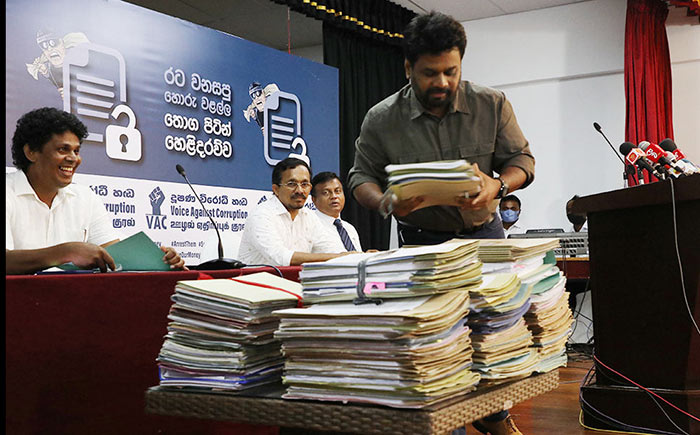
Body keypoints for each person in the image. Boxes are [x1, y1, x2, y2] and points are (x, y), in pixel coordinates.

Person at [347, 11, 534, 435]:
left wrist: (498, 185)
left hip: (484, 237)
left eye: (451, 71)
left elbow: (522, 160)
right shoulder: (382, 118)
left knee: (492, 332)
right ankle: (446, 426)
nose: (443, 82)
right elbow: (360, 178)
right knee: (435, 340)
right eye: (430, 73)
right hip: (422, 243)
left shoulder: (491, 103)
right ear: (408, 68)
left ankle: (493, 416)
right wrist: (386, 203)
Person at [6, 107, 186, 275]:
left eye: (76, 151)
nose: (73, 158)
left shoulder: (86, 198)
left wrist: (159, 260)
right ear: (31, 152)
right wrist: (65, 252)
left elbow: (114, 254)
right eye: (63, 149)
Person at [238, 157, 351, 266]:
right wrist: (337, 256)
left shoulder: (309, 216)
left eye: (304, 184)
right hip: (257, 278)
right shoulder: (262, 215)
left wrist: (352, 257)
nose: (300, 190)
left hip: (295, 279)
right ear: (276, 189)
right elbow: (281, 258)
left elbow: (331, 249)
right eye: (292, 184)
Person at [310, 171, 363, 252]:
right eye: (326, 193)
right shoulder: (310, 226)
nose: (334, 196)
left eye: (337, 191)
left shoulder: (349, 228)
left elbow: (356, 258)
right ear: (313, 199)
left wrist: (367, 255)